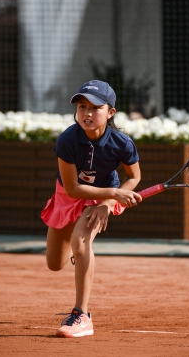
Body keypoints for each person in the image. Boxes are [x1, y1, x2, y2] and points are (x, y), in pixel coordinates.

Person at [41, 80, 142, 338]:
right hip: (69, 194)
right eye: (82, 106)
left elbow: (133, 178)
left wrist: (108, 204)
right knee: (54, 264)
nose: (87, 113)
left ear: (110, 113)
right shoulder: (67, 140)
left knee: (82, 241)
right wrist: (114, 194)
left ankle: (81, 315)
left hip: (101, 198)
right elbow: (73, 189)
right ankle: (77, 254)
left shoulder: (122, 143)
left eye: (96, 107)